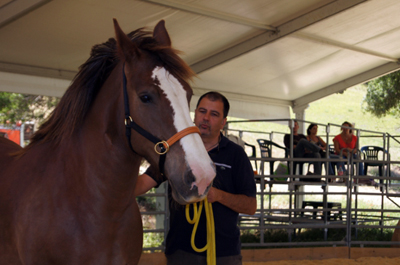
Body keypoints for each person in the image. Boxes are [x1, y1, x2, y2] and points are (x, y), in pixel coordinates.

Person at [135, 91, 257, 265]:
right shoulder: (175, 151)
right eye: (202, 111)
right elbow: (141, 184)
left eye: (214, 114)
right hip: (181, 252)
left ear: (223, 122)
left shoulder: (236, 155)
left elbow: (251, 206)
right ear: (195, 114)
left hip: (224, 253)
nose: (206, 118)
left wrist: (218, 196)